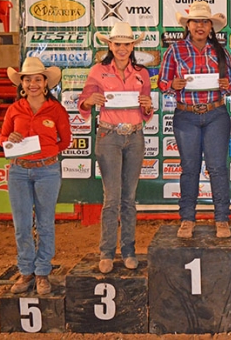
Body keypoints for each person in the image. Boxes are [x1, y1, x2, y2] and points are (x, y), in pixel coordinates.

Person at [158, 1, 231, 239]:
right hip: (186, 115)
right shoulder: (175, 50)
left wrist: (227, 85)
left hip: (216, 113)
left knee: (217, 169)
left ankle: (222, 219)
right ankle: (187, 218)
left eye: (205, 22)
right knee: (189, 169)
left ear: (211, 26)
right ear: (188, 25)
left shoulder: (221, 51)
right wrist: (172, 84)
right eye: (196, 22)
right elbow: (162, 83)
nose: (200, 26)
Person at [78, 22, 153, 274]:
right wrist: (90, 100)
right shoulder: (98, 71)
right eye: (117, 43)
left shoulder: (142, 73)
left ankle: (129, 250)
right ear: (109, 45)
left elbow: (147, 109)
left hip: (134, 136)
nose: (122, 48)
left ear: (133, 45)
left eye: (127, 44)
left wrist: (147, 106)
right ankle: (107, 252)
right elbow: (84, 101)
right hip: (109, 135)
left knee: (129, 198)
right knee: (112, 198)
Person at [0, 57, 71, 295]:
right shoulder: (14, 109)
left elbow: (66, 140)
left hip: (47, 171)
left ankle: (42, 272)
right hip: (19, 171)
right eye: (28, 80)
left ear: (45, 83)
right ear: (21, 83)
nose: (32, 84)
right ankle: (26, 270)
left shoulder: (56, 109)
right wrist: (9, 141)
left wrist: (47, 154)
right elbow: (2, 138)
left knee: (45, 223)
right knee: (21, 224)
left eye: (37, 80)